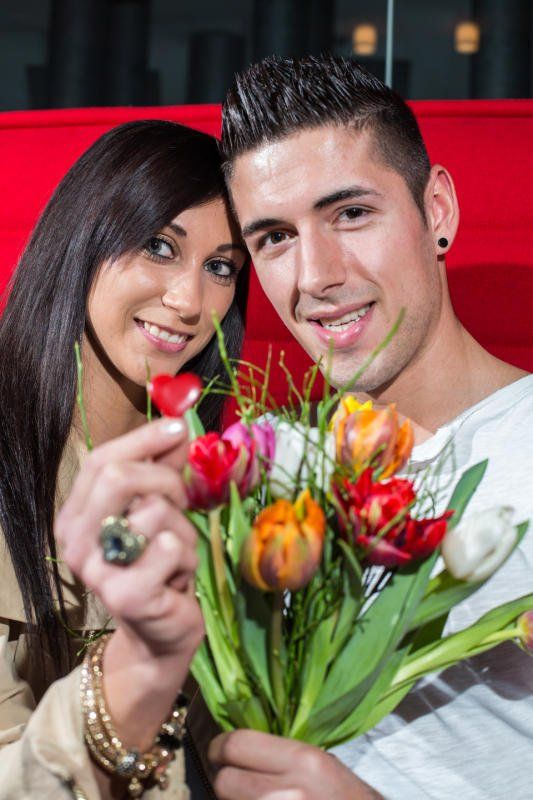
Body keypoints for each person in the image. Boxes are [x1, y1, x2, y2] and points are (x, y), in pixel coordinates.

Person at [202, 55, 533, 799]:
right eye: (274, 237)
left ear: (436, 210)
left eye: (350, 213)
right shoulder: (264, 469)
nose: (315, 275)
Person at [0, 119, 248, 798]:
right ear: (81, 238)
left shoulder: (226, 478)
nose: (189, 301)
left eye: (221, 267)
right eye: (159, 246)